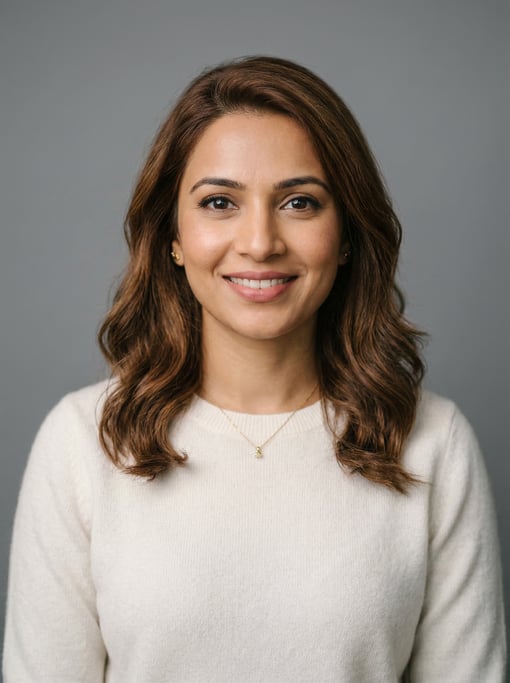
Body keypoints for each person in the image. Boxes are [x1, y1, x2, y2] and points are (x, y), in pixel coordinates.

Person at [3, 56, 506, 682]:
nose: (261, 241)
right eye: (219, 202)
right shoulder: (81, 442)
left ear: (346, 234)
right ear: (174, 237)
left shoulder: (434, 443)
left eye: (299, 202)